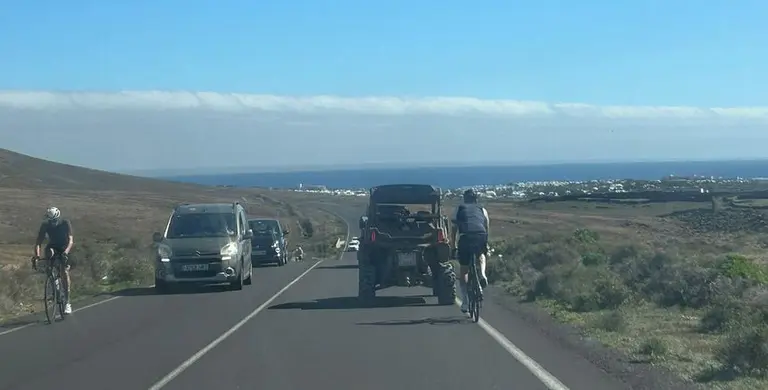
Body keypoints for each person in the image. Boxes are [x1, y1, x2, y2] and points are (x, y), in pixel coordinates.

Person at [450, 188, 490, 313]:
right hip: (480, 235)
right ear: (475, 199)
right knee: (481, 254)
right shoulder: (482, 209)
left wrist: (453, 246)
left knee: (464, 271)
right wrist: (486, 243)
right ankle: (483, 274)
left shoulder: (459, 208)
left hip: (465, 237)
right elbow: (486, 226)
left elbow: (453, 229)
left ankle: (465, 302)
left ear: (464, 198)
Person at [32, 206, 74, 314]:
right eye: (51, 221)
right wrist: (37, 256)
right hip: (53, 247)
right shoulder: (45, 225)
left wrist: (66, 252)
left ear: (58, 217)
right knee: (49, 255)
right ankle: (53, 281)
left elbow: (70, 240)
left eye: (54, 221)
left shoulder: (65, 222)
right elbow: (38, 242)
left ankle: (67, 302)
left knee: (64, 271)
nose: (53, 223)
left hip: (64, 247)